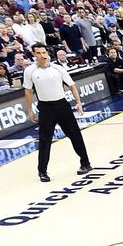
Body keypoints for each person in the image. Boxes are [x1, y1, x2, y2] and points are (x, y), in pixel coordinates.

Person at [23, 43, 91, 182]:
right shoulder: (30, 71)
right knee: (44, 140)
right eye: (38, 53)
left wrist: (78, 102)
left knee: (75, 135)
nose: (42, 55)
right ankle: (42, 171)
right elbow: (28, 92)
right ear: (34, 54)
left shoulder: (57, 68)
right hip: (45, 107)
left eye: (44, 52)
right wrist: (30, 110)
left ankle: (85, 163)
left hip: (62, 105)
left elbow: (72, 85)